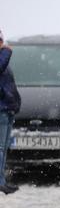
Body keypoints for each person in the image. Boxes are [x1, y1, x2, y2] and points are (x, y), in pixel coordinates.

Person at [0, 29, 21, 195]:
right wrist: (6, 52)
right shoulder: (2, 59)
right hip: (1, 110)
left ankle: (2, 181)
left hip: (7, 110)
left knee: (3, 148)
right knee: (0, 148)